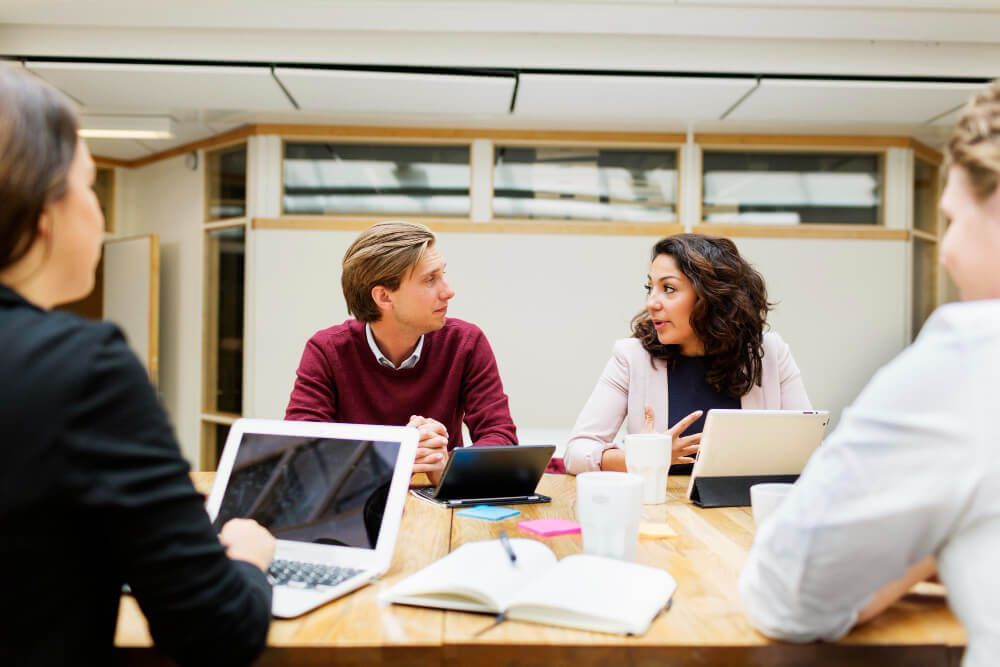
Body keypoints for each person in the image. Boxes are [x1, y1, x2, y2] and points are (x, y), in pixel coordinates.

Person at [0, 65, 275, 665]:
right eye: (90, 188)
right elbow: (216, 631)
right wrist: (248, 557)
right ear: (41, 210)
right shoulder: (82, 368)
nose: (101, 219)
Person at [739, 82, 1000, 667]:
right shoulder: (633, 355)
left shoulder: (971, 356)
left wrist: (929, 540)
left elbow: (783, 595)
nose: (948, 249)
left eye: (953, 219)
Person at [285, 221, 517, 483]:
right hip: (353, 507)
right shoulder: (327, 350)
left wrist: (449, 465)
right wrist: (394, 452)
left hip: (437, 504)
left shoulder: (465, 342)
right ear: (384, 297)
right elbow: (300, 450)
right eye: (430, 279)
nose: (448, 291)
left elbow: (501, 438)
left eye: (442, 274)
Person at [564, 233, 811, 475]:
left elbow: (808, 450)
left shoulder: (769, 354)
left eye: (668, 288)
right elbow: (576, 453)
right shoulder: (632, 357)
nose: (652, 302)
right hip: (660, 508)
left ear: (711, 296)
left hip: (743, 510)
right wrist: (647, 455)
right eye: (650, 287)